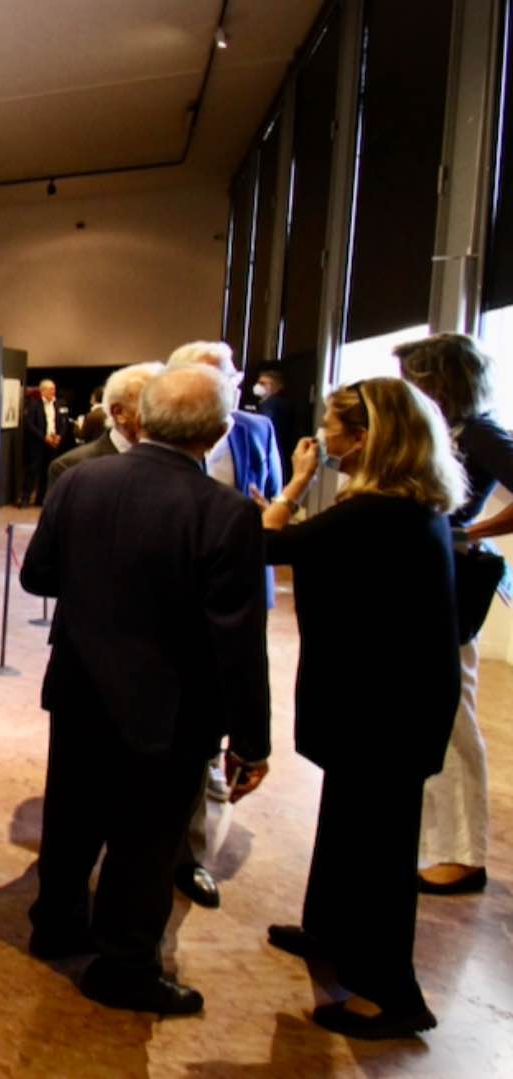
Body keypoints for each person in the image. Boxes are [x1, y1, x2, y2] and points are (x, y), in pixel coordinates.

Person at [20, 365, 271, 1016]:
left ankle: (56, 926)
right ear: (218, 431)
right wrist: (252, 739)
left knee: (71, 815)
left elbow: (37, 576)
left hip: (79, 687)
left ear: (145, 416)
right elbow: (239, 641)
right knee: (147, 838)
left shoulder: (80, 482)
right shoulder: (226, 513)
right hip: (172, 707)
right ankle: (125, 966)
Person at [257, 377, 464, 1039]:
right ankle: (330, 933)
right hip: (392, 701)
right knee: (350, 821)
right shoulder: (409, 507)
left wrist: (293, 485)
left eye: (332, 427)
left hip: (386, 710)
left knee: (378, 848)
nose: (322, 437)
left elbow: (268, 544)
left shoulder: (376, 512)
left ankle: (393, 995)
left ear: (366, 437)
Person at [163, 340, 284, 909]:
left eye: (229, 381)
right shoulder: (157, 430)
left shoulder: (256, 431)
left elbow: (269, 504)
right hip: (165, 608)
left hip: (230, 599)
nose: (225, 392)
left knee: (205, 738)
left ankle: (192, 855)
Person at [397, 333, 508, 895]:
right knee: (427, 712)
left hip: (452, 582)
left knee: (451, 714)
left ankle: (462, 853)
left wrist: (468, 531)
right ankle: (434, 842)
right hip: (427, 578)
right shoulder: (446, 431)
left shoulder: (481, 433)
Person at [47, 362, 161, 485]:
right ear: (119, 413)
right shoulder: (70, 468)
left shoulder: (170, 462)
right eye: (154, 404)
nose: (165, 413)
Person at [21, 379, 71, 506]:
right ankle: (25, 498)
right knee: (33, 470)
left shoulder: (60, 404)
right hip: (38, 443)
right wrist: (44, 437)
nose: (53, 391)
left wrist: (59, 436)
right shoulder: (34, 405)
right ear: (42, 391)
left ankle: (41, 498)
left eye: (54, 389)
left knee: (47, 471)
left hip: (54, 443)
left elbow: (65, 422)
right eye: (50, 389)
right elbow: (29, 424)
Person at [251, 367, 296, 459]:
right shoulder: (274, 403)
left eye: (263, 383)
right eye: (258, 383)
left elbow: (262, 429)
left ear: (275, 387)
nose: (258, 386)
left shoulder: (272, 405)